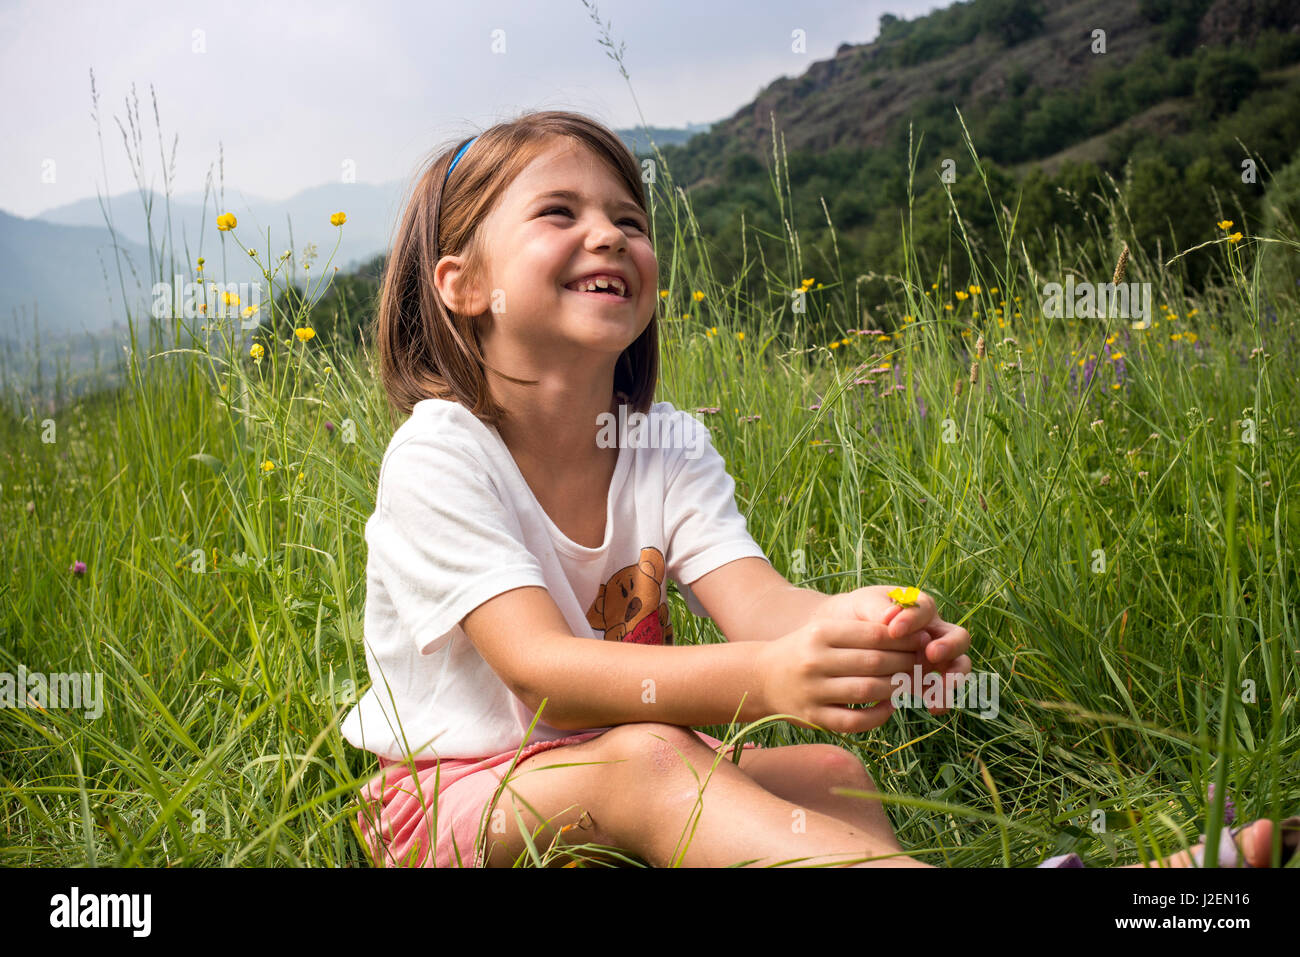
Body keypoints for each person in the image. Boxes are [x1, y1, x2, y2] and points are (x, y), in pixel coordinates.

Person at [340, 109, 1292, 869]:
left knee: (832, 773)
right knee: (655, 758)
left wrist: (871, 631)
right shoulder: (443, 456)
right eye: (561, 213)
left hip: (613, 766)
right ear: (464, 285)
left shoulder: (664, 446)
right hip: (448, 805)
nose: (610, 235)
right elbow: (544, 676)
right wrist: (767, 681)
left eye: (630, 220)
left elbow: (766, 608)